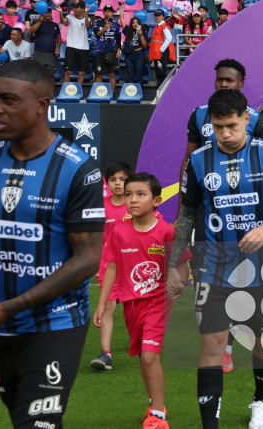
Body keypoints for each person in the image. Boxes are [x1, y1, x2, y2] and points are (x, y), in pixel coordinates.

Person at [0, 60, 104, 428]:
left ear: (42, 105)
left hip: (55, 324)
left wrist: (7, 308)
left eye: (8, 100)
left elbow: (88, 260)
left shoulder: (78, 168)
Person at [166, 89, 263, 429]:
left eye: (232, 126)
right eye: (219, 126)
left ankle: (260, 402)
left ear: (246, 121)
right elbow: (187, 214)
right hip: (213, 269)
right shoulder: (198, 160)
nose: (226, 134)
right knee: (212, 346)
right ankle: (210, 424)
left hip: (261, 268)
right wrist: (176, 262)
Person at [94, 172, 187, 429]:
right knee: (142, 357)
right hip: (130, 303)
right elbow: (111, 267)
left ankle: (158, 414)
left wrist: (179, 281)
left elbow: (182, 263)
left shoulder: (167, 232)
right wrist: (102, 303)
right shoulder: (119, 231)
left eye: (140, 194)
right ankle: (153, 400)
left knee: (148, 356)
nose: (133, 200)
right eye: (128, 195)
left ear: (157, 200)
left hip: (158, 302)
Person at [90, 160, 131, 372]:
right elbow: (95, 235)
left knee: (135, 308)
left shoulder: (136, 204)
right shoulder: (100, 206)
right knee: (107, 306)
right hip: (108, 265)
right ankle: (106, 354)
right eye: (113, 179)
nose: (118, 184)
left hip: (133, 264)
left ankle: (141, 340)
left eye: (123, 179)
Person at [57, 1, 91, 85]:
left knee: (81, 73)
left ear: (82, 9)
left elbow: (87, 25)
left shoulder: (87, 18)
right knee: (68, 72)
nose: (74, 9)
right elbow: (62, 21)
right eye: (74, 7)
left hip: (83, 48)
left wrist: (86, 13)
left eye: (77, 7)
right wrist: (60, 12)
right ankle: (65, 91)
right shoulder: (70, 17)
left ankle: (79, 92)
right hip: (71, 47)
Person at [92, 4, 123, 93]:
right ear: (103, 12)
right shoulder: (98, 23)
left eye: (109, 11)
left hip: (112, 52)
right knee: (99, 74)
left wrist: (118, 51)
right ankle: (98, 94)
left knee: (112, 74)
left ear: (113, 13)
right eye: (106, 11)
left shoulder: (116, 25)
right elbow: (97, 34)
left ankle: (112, 94)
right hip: (100, 51)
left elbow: (118, 38)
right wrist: (105, 27)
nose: (107, 13)